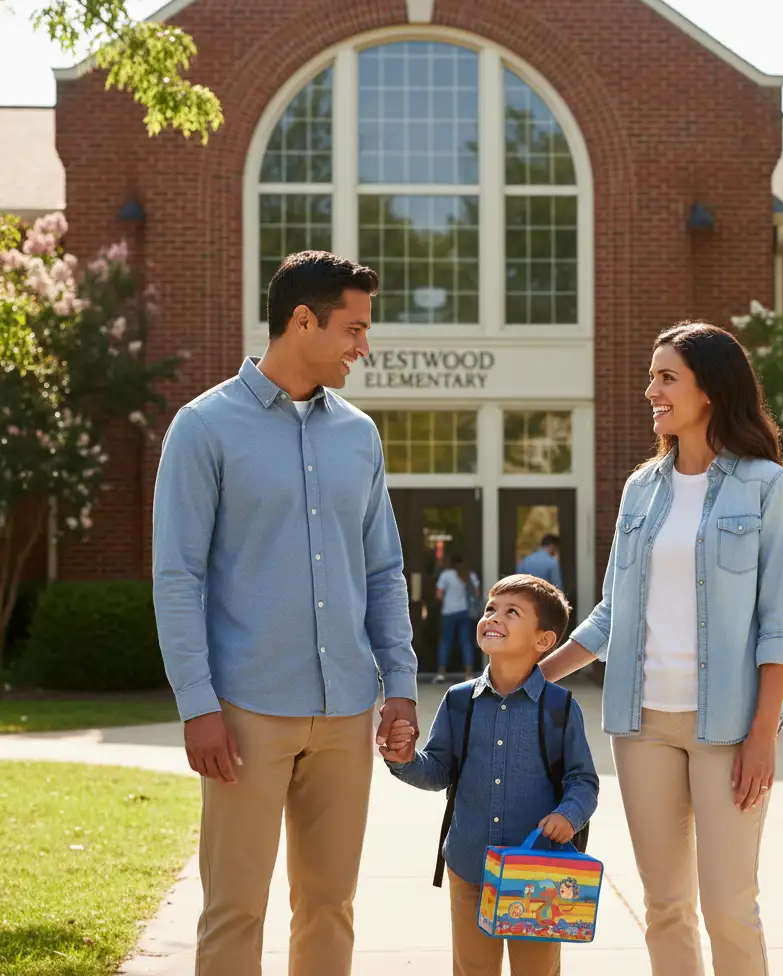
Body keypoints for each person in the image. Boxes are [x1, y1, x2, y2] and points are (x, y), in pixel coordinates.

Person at [152, 250, 418, 976]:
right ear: (303, 321)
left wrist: (399, 684)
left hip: (345, 713)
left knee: (330, 905)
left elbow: (384, 568)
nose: (364, 347)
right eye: (354, 329)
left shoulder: (358, 435)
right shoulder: (204, 428)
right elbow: (178, 577)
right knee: (235, 908)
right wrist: (197, 704)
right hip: (246, 713)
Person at [539, 320, 783, 976]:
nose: (649, 389)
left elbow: (778, 623)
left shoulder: (767, 486)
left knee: (729, 904)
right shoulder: (642, 490)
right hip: (641, 726)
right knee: (665, 904)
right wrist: (531, 676)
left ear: (708, 390)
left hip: (729, 728)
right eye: (652, 375)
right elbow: (611, 614)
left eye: (666, 377)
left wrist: (764, 732)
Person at [382, 574, 598, 976]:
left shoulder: (560, 707)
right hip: (469, 865)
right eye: (490, 609)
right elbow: (439, 771)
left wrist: (569, 815)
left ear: (544, 641)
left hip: (538, 874)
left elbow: (583, 780)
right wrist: (405, 760)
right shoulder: (459, 701)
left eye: (511, 612)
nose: (493, 617)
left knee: (536, 970)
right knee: (472, 969)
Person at [434, 555, 481, 683]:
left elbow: (439, 595)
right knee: (466, 642)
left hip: (448, 612)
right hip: (464, 611)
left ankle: (441, 673)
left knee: (445, 642)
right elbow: (476, 594)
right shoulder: (469, 575)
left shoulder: (446, 575)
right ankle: (468, 674)